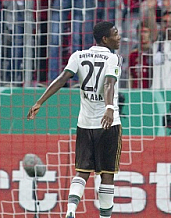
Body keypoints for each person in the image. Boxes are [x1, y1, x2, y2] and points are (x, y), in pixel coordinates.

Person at [27, 21, 122, 218]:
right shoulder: (113, 59)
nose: (119, 37)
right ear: (105, 39)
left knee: (82, 171)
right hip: (108, 123)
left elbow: (61, 79)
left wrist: (40, 102)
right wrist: (110, 108)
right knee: (107, 174)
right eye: (115, 33)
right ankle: (105, 216)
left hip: (85, 124)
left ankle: (71, 210)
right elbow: (109, 84)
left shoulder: (78, 56)